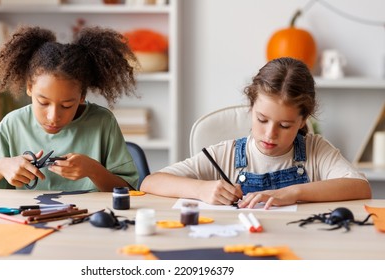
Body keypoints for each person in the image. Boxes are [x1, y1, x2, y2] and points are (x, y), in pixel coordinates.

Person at [141, 57, 371, 209]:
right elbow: (150, 182)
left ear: (302, 120)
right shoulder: (226, 154)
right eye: (262, 119)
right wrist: (201, 189)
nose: (270, 134)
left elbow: (361, 188)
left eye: (285, 126)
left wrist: (292, 192)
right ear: (251, 108)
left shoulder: (316, 151)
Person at [0, 25, 139, 191]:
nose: (53, 116)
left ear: (82, 96)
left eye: (66, 105)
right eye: (43, 103)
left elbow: (130, 191)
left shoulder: (102, 122)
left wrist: (93, 170)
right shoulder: (14, 124)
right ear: (29, 88)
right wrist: (1, 167)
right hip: (24, 220)